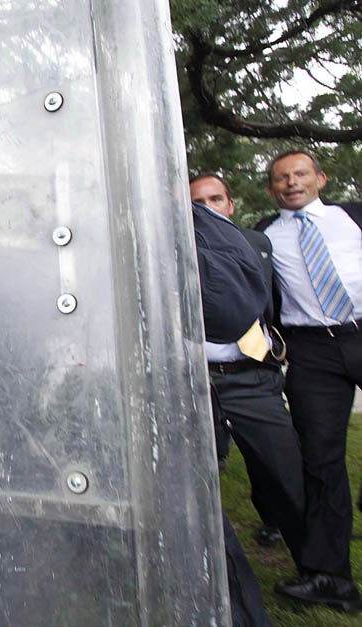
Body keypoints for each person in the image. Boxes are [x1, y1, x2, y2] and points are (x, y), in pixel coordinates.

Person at [254, 150, 362, 613]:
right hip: (311, 349)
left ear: (320, 177)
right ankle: (331, 578)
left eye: (300, 174)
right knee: (320, 462)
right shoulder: (263, 236)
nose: (291, 183)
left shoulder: (352, 217)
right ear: (271, 189)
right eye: (281, 178)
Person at [189, 173, 305, 559]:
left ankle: (313, 561)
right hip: (196, 378)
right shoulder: (172, 249)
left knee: (282, 467)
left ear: (231, 203)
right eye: (198, 203)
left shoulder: (258, 243)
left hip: (252, 374)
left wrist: (273, 354)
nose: (209, 209)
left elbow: (272, 301)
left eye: (216, 199)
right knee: (200, 472)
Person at [191, 198, 273, 627]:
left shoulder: (191, 221)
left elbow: (231, 310)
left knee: (189, 516)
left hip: (149, 400)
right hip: (49, 400)